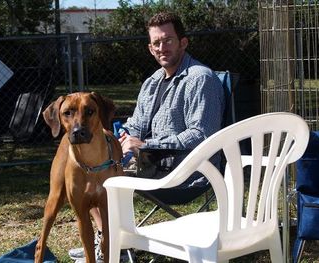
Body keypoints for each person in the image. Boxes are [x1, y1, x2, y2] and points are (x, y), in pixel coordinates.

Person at [69, 11, 225, 263]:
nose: (162, 47)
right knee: (90, 168)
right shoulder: (152, 82)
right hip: (150, 164)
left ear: (183, 42)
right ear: (150, 48)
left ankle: (111, 244)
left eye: (168, 40)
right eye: (156, 43)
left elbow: (202, 135)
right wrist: (116, 136)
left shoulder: (200, 79)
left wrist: (146, 145)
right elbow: (136, 125)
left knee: (101, 177)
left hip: (187, 173)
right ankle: (108, 239)